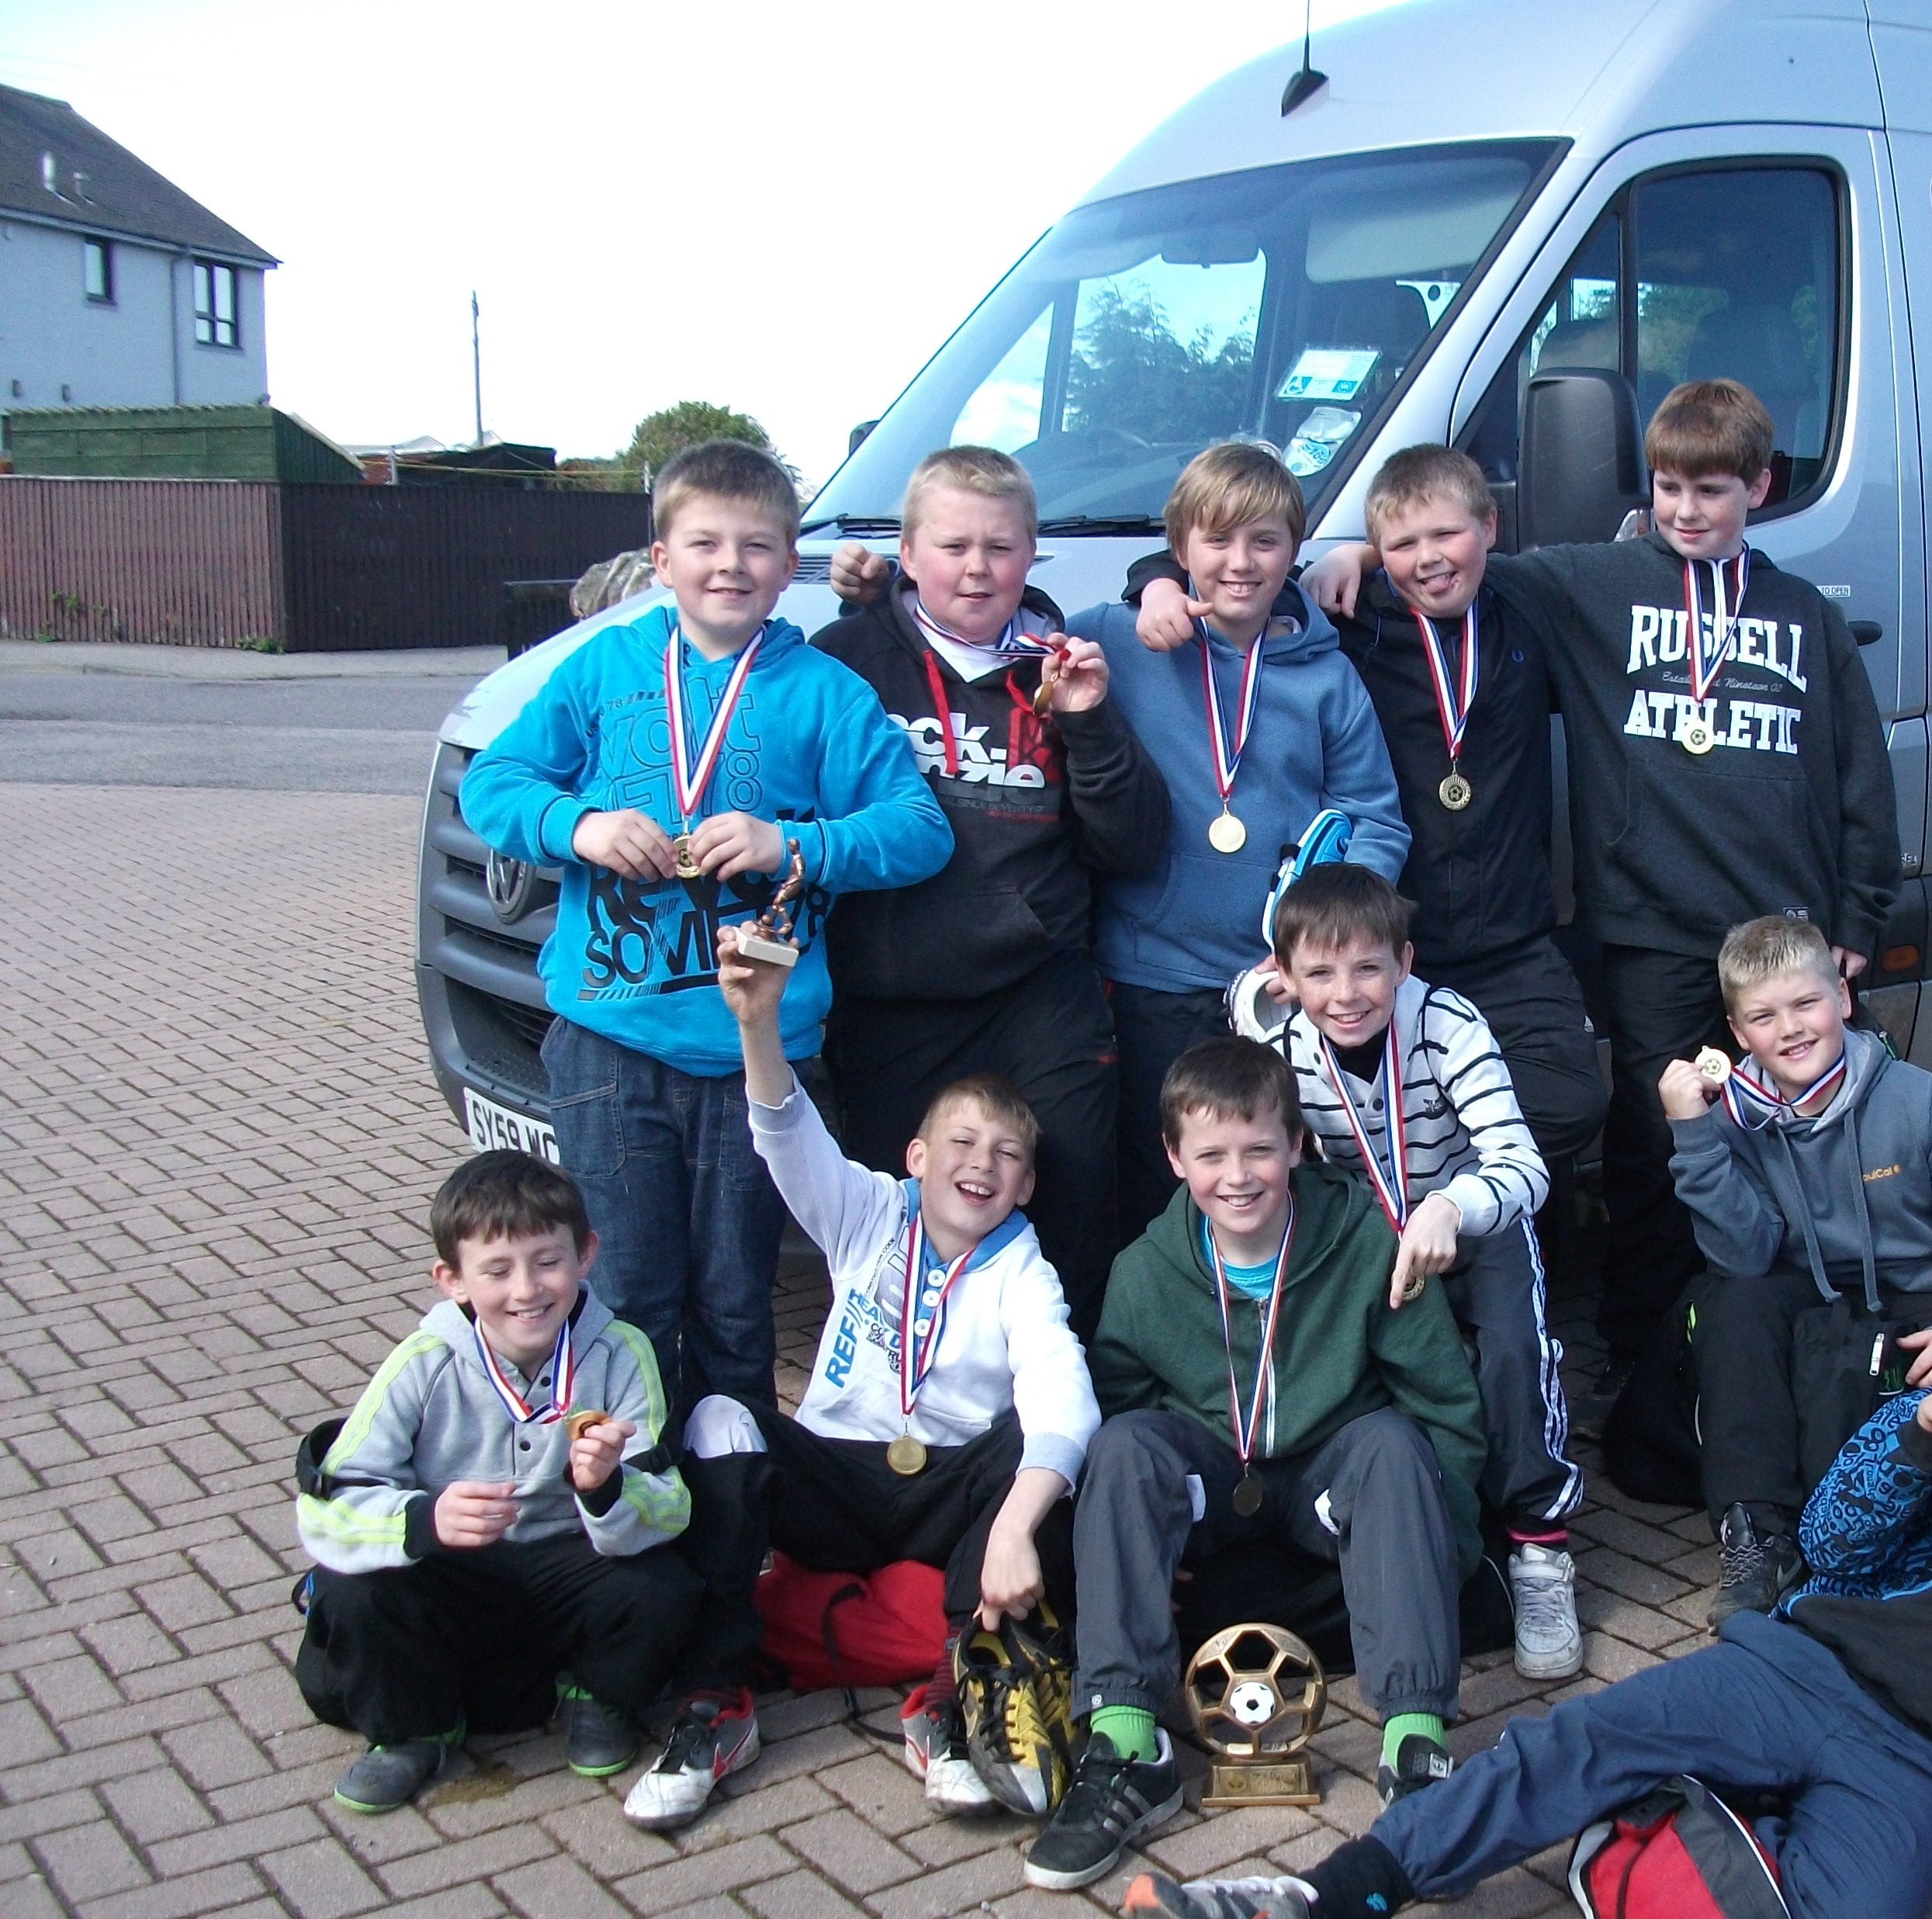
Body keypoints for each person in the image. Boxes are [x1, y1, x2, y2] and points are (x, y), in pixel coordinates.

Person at [1117, 1249, 1932, 1919]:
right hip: (1800, 1667)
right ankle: (1314, 1913)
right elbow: (1831, 1549)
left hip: (1920, 1763)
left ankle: (1648, 1824)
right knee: (1563, 1746)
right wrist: (1921, 1438)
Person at [1305, 382, 1906, 1371]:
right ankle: (1649, 1362)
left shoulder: (1804, 616)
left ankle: (1828, 1335)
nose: (1685, 510)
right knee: (1654, 1151)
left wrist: (1856, 914)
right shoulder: (1596, 582)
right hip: (1653, 933)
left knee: (1818, 1135)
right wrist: (1360, 550)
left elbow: (1859, 776)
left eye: (1711, 490)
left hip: (1784, 937)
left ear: (1759, 486)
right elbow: (1452, 558)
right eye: (1668, 487)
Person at [459, 440, 953, 1418]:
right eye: (705, 543)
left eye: (759, 546)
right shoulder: (604, 667)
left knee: (736, 1308)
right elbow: (494, 784)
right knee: (627, 1298)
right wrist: (580, 826)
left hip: (757, 1056)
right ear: (661, 557)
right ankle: (638, 1509)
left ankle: (733, 1522)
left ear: (789, 562)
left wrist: (791, 843)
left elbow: (918, 831)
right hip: (611, 1038)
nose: (731, 565)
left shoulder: (824, 694)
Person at [621, 930, 1102, 1833]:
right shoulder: (869, 1213)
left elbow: (1060, 1393)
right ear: (916, 1158)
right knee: (724, 1412)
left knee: (1040, 1456)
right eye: (960, 1141)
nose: (981, 1163)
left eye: (1005, 1155)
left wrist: (1012, 1528)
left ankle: (951, 1700)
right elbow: (786, 1133)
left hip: (945, 1499)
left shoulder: (1023, 1271)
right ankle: (714, 1705)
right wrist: (758, 1024)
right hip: (838, 1481)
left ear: (1027, 1184)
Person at [1023, 1039, 1485, 1895]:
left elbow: (1443, 1409)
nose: (1237, 1176)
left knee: (1393, 1442)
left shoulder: (1364, 1245)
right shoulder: (1144, 1273)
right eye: (1210, 1156)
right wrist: (1138, 1553)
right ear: (1172, 1159)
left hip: (1326, 1482)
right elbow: (1123, 1405)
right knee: (1121, 1446)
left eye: (1259, 1149)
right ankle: (1126, 1746)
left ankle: (1415, 1747)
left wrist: (1446, 1551)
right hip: (1210, 1485)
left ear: (1297, 1147)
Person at [1130, 445, 1604, 1178]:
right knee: (1332, 1136)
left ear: (1490, 526)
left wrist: (1364, 550)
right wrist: (1156, 580)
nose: (1428, 559)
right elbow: (1241, 577)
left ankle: (1467, 1225)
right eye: (1401, 546)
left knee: (1564, 1107)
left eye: (1446, 536)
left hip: (1511, 940)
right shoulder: (1347, 624)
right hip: (1385, 951)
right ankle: (1389, 1246)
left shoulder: (1527, 604)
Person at [812, 445, 1166, 1332]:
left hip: (1037, 988)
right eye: (953, 546)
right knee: (899, 1224)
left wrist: (1086, 723)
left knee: (1078, 1204)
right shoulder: (845, 657)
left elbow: (1129, 844)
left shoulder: (1059, 663)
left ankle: (1069, 1425)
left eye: (1001, 548)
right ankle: (914, 1419)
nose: (977, 568)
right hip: (893, 997)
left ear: (1031, 551)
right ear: (907, 551)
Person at [1227, 861, 1584, 1681]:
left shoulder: (1448, 1023)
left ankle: (1539, 1547)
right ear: (1284, 978)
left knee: (1509, 1354)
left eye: (1367, 968)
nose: (1345, 993)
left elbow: (1521, 1165)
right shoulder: (1279, 1043)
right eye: (1318, 973)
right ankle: (1395, 1525)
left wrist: (1452, 1206)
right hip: (1367, 1233)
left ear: (1406, 962)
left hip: (1470, 1218)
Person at [294, 1152, 698, 1815]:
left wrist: (605, 1490)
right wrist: (425, 1520)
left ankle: (595, 1697)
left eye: (548, 1261)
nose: (527, 1290)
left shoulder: (624, 1351)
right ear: (451, 1280)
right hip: (458, 1568)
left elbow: (671, 1504)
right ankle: (412, 1732)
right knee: (351, 1590)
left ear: (587, 1254)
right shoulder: (421, 1362)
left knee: (665, 1585)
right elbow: (327, 1506)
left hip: (572, 1561)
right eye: (497, 1270)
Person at [1079, 444, 1408, 1245]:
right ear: (1180, 547)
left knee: (1275, 1178)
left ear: (1294, 549)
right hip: (1153, 975)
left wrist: (1318, 948)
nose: (1239, 563)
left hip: (1276, 988)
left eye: (1263, 542)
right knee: (1158, 1186)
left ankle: (1283, 1346)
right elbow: (998, 628)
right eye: (1216, 542)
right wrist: (882, 590)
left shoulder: (1327, 676)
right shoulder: (1118, 640)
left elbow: (1376, 817)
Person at [1662, 915, 1932, 1621]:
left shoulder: (1919, 1098)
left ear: (1843, 1001)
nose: (1792, 1029)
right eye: (1765, 1016)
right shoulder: (1734, 1116)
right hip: (1805, 1293)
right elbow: (1744, 1253)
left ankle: (1863, 1546)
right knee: (1729, 1301)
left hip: (1913, 1296)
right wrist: (1693, 1136)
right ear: (1739, 1034)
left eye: (1806, 1004)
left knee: (1895, 1382)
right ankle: (1758, 1537)